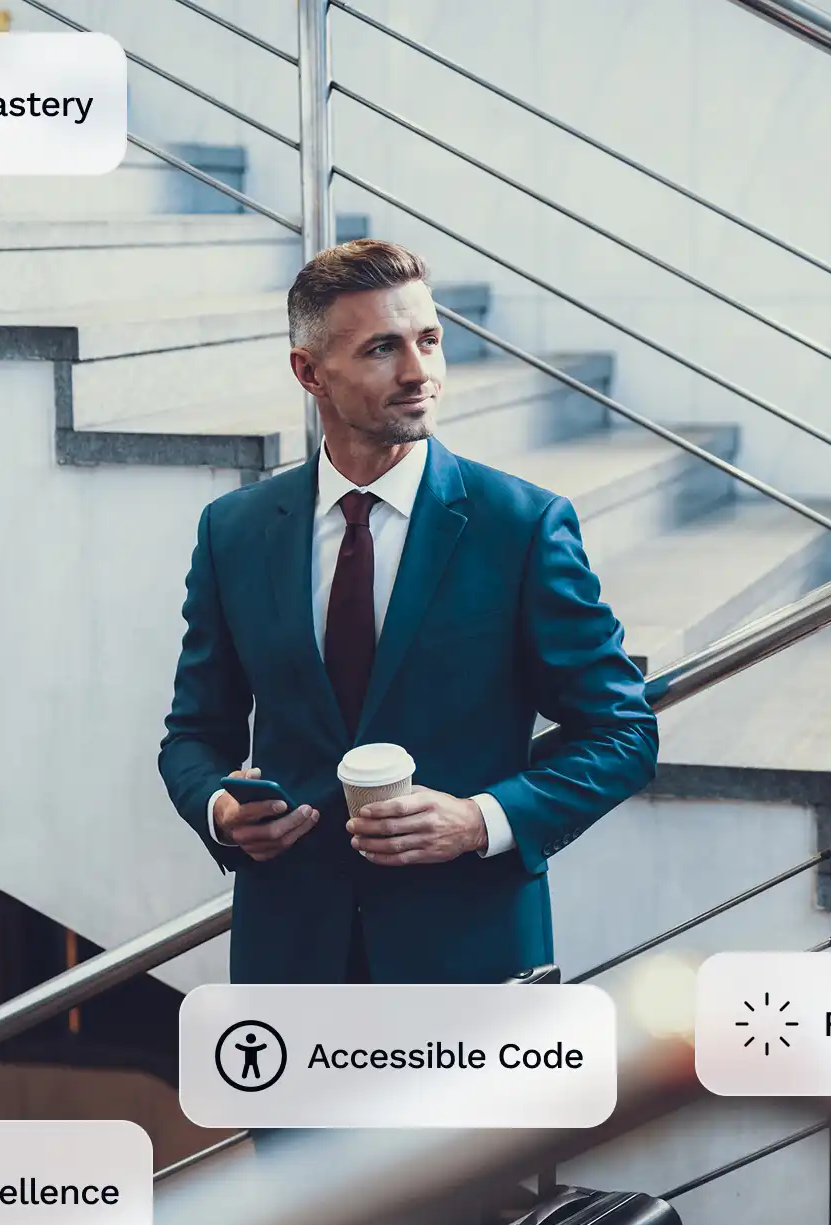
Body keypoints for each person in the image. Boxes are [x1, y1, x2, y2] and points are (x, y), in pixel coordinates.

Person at [158, 239, 658, 986]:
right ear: (309, 372)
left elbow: (621, 732)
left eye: (429, 340)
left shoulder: (519, 527)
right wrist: (220, 809)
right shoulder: (233, 532)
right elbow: (195, 736)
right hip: (290, 965)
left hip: (470, 960)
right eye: (383, 349)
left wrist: (479, 820)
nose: (419, 372)